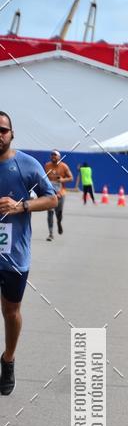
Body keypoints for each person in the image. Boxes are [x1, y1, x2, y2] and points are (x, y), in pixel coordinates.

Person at [0, 111, 57, 395]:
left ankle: (8, 358)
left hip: (13, 255)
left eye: (2, 130)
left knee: (11, 312)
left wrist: (19, 206)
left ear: (12, 133)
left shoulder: (27, 165)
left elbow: (51, 198)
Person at [44, 149, 73, 240]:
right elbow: (44, 177)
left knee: (58, 213)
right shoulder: (47, 165)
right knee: (50, 212)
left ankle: (59, 222)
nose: (53, 157)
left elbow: (71, 178)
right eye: (52, 155)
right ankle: (50, 233)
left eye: (55, 155)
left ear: (59, 157)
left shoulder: (64, 166)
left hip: (61, 193)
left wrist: (62, 180)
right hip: (50, 193)